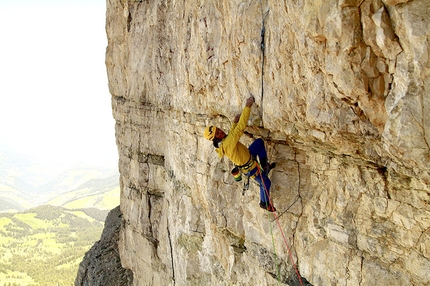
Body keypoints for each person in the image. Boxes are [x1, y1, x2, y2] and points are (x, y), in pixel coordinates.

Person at [203, 96, 276, 212]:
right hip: (250, 168)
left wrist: (233, 124)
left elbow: (231, 135)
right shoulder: (227, 144)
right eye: (218, 133)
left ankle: (265, 166)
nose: (220, 131)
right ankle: (264, 202)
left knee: (259, 143)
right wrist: (247, 106)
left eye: (218, 129)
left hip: (248, 155)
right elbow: (240, 128)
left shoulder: (224, 142)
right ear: (215, 138)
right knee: (266, 182)